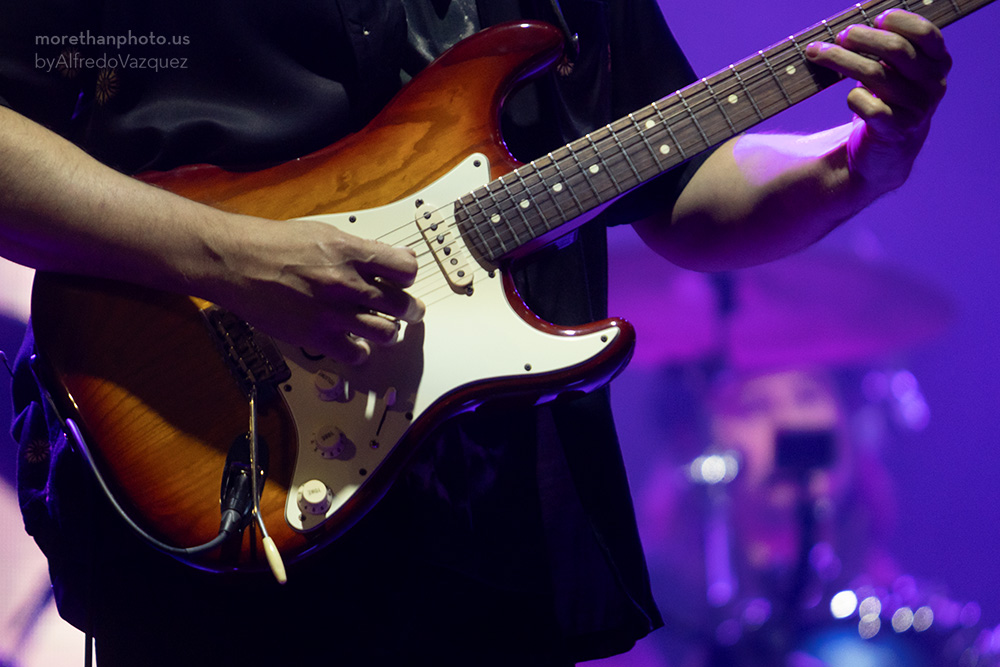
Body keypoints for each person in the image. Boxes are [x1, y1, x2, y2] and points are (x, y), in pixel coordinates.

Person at [0, 0, 951, 665]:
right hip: (213, 477)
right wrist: (227, 257)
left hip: (492, 537)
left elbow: (683, 188)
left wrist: (861, 163)